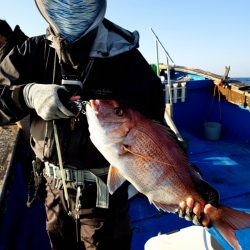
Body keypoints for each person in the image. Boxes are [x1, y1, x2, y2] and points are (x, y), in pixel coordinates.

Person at [0, 1, 218, 249]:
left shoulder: (127, 60)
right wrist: (27, 95)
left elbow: (158, 136)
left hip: (106, 199)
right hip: (53, 193)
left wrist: (195, 187)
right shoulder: (32, 52)